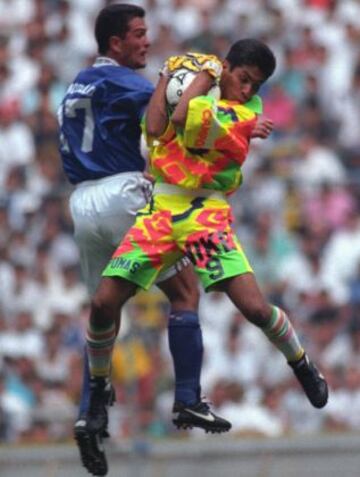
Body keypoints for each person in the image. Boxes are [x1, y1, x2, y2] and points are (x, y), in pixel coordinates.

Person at [82, 38, 329, 446]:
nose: (248, 91)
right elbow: (156, 127)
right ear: (229, 68)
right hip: (160, 207)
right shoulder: (205, 88)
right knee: (102, 303)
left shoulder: (245, 113)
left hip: (206, 213)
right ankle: (96, 391)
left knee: (253, 308)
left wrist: (201, 74)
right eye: (244, 79)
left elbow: (180, 120)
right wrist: (166, 75)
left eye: (256, 85)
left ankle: (301, 362)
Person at [57, 4, 230, 476]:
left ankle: (91, 408)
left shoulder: (77, 82)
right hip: (123, 193)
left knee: (104, 307)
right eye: (138, 34)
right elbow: (175, 108)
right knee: (185, 291)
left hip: (82, 202)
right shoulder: (125, 83)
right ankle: (189, 399)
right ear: (115, 43)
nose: (146, 41)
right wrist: (208, 83)